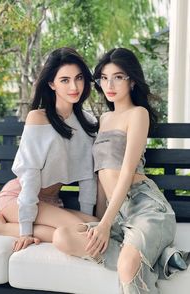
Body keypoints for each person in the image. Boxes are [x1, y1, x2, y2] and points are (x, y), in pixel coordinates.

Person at [52, 48, 189, 293]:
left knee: (127, 266)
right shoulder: (103, 119)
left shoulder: (138, 114)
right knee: (62, 237)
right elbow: (102, 178)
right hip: (118, 216)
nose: (109, 84)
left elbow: (126, 172)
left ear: (132, 80)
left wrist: (103, 226)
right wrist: (101, 221)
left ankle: (139, 254)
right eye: (104, 78)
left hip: (146, 207)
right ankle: (158, 258)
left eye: (118, 76)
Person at [0, 47, 99, 251]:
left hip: (52, 202)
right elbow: (30, 175)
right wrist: (25, 230)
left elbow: (88, 177)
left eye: (79, 78)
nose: (74, 86)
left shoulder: (87, 123)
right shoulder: (38, 118)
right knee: (84, 230)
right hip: (18, 199)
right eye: (64, 80)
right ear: (51, 83)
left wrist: (89, 213)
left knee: (94, 225)